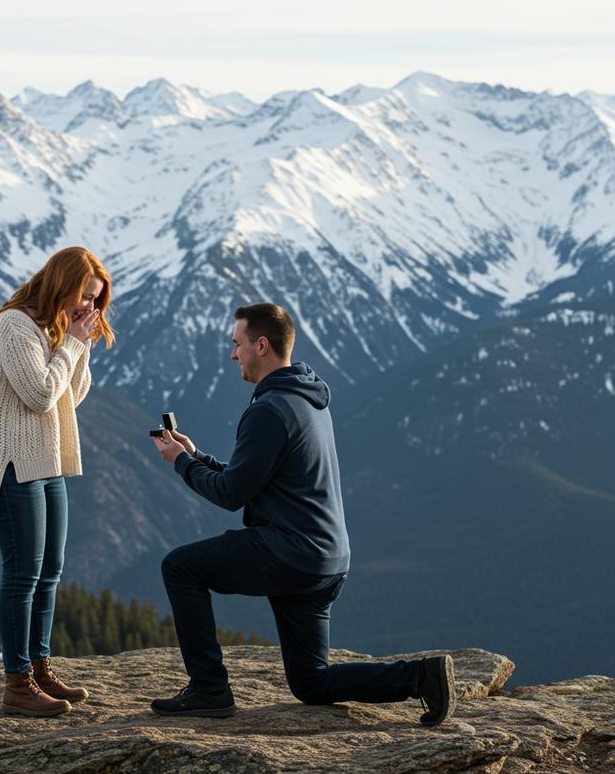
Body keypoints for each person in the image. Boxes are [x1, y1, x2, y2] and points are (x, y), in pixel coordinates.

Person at [150, 302, 456, 725]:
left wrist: (180, 464)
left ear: (261, 345)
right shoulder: (307, 399)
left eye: (237, 345)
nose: (233, 355)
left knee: (180, 568)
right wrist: (196, 454)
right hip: (327, 560)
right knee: (310, 683)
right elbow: (251, 475)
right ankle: (422, 677)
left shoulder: (267, 411)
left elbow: (231, 493)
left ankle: (209, 689)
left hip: (289, 553)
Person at [0, 246, 114, 717]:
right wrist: (72, 343)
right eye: (84, 296)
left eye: (95, 301)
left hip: (47, 461)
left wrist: (81, 343)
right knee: (22, 575)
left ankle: (39, 665)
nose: (87, 308)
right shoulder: (14, 325)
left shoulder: (58, 327)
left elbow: (70, 395)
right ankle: (17, 683)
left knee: (50, 570)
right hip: (12, 464)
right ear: (62, 283)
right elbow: (38, 395)